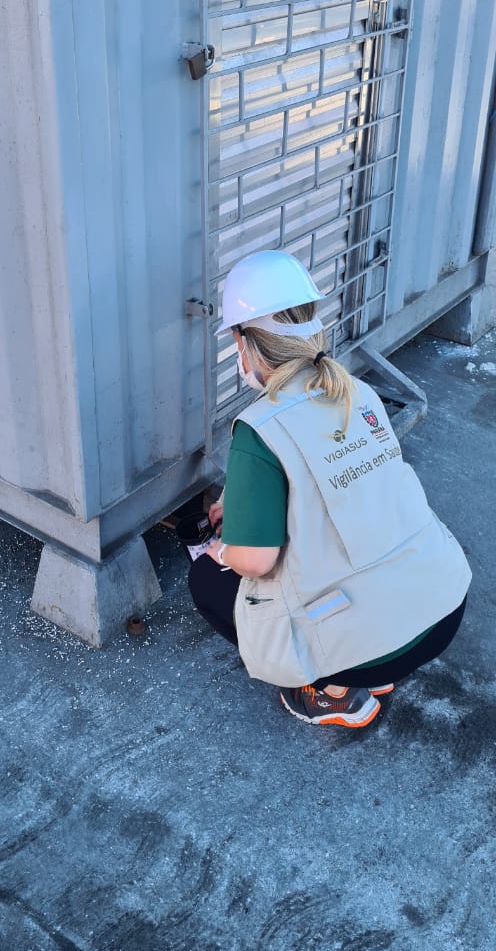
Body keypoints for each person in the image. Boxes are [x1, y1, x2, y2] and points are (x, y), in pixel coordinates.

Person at [188, 250, 471, 729]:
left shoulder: (257, 428)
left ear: (245, 343)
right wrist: (241, 499)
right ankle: (380, 666)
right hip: (443, 606)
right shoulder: (354, 392)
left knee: (208, 582)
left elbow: (255, 560)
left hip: (375, 645)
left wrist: (223, 550)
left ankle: (333, 690)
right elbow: (336, 481)